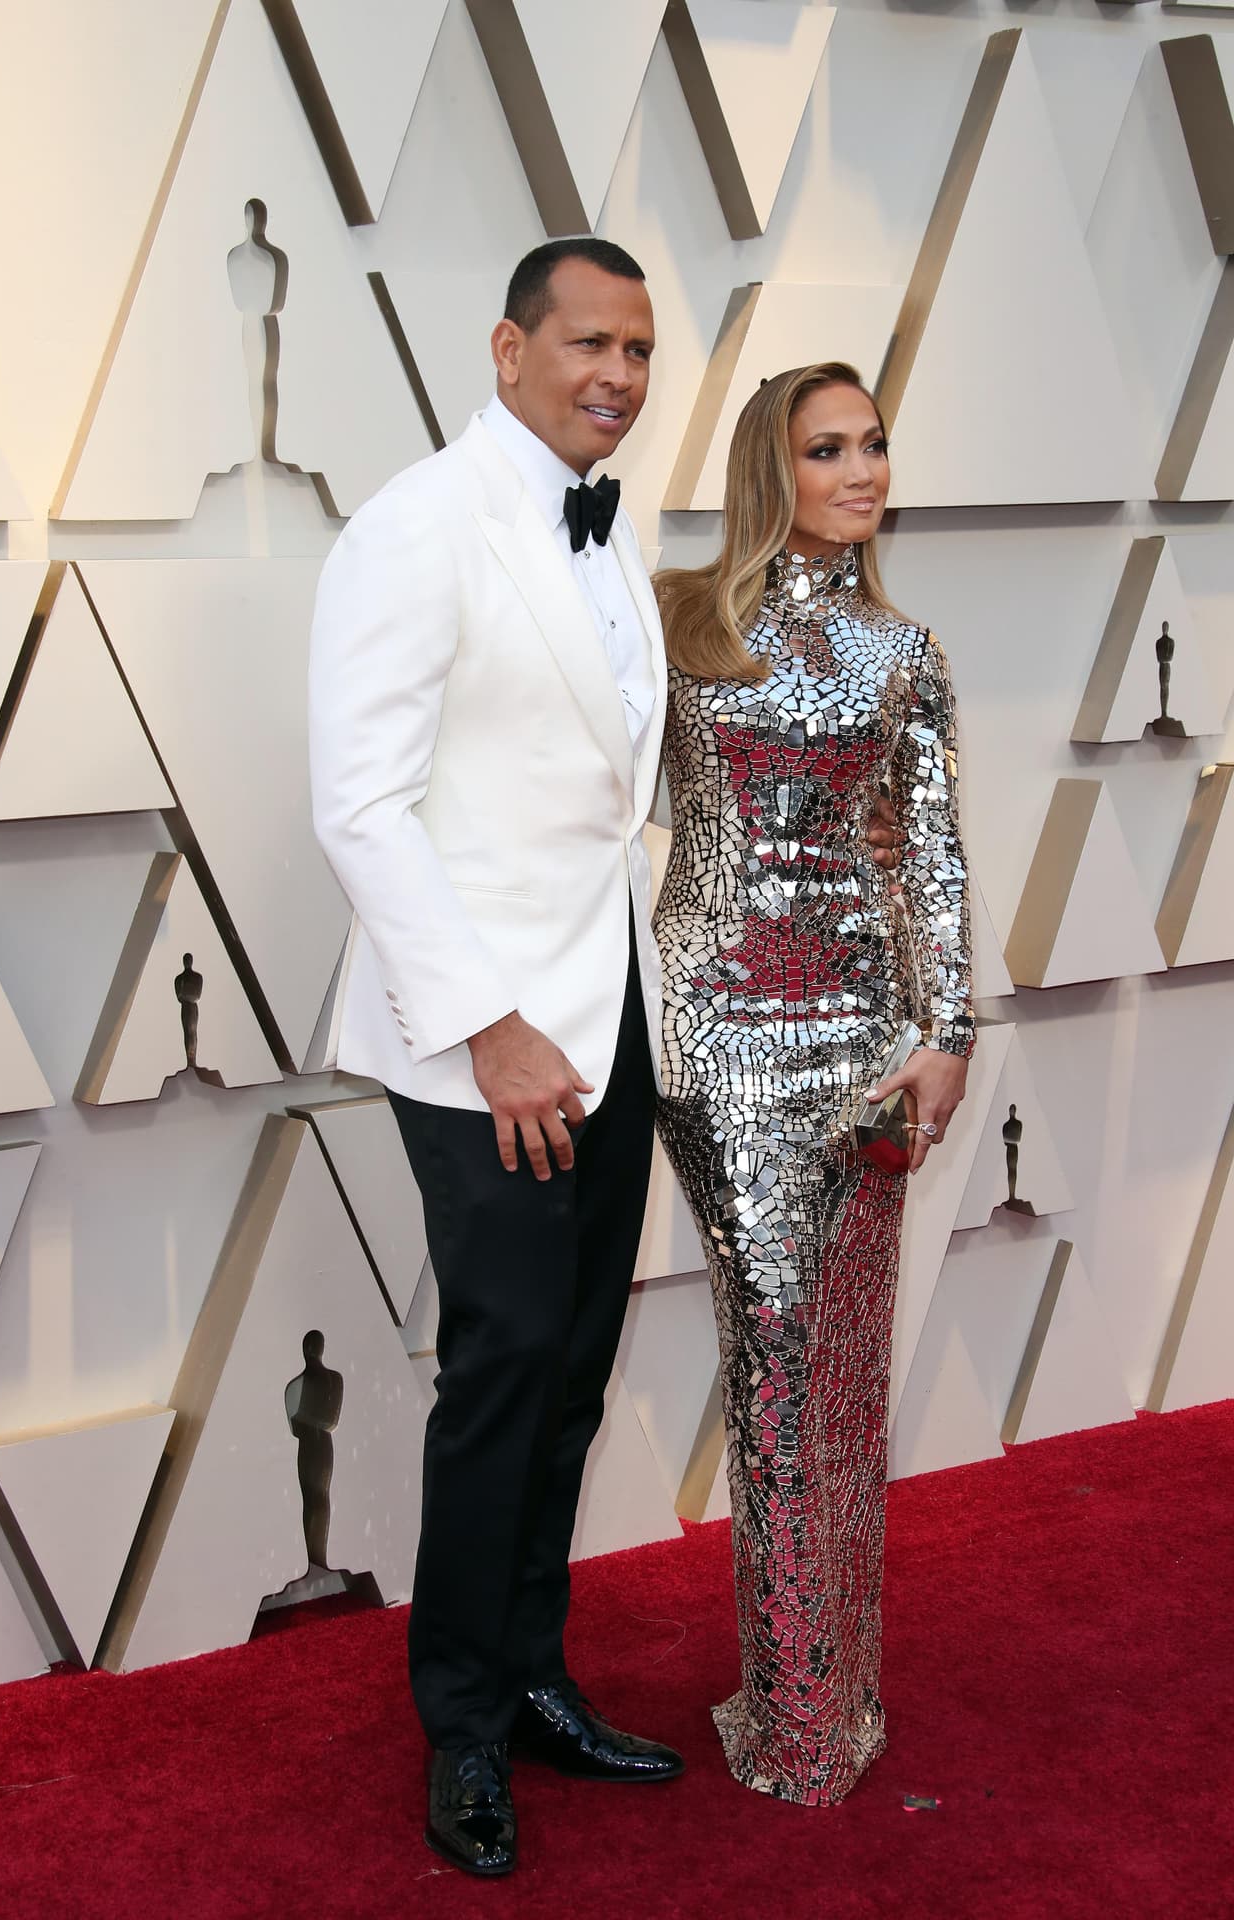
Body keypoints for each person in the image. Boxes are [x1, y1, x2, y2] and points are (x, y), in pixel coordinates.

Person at [309, 248, 901, 1874]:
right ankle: (463, 1735)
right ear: (509, 348)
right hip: (482, 1040)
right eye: (590, 343)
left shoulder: (608, 526)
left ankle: (532, 1678)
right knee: (501, 1374)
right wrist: (489, 1026)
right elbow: (356, 804)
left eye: (641, 348)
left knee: (567, 1376)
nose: (620, 374)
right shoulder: (417, 526)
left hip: (610, 1015)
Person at [652, 363, 974, 1806]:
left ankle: (835, 1696)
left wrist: (947, 1032)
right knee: (776, 1371)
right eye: (829, 447)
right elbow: (596, 807)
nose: (863, 469)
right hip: (717, 1043)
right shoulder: (679, 623)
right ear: (770, 468)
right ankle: (794, 1725)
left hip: (864, 1042)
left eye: (874, 444)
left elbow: (928, 856)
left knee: (846, 1373)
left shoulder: (903, 650)